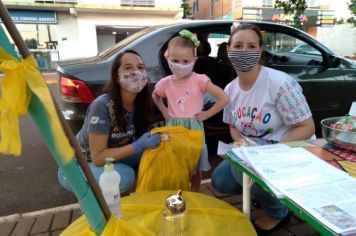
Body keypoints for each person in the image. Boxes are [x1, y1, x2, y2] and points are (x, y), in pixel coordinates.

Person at [211, 24, 315, 234]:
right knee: (220, 180)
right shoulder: (230, 89)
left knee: (242, 170)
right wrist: (239, 142)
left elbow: (307, 127)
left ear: (259, 52)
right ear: (228, 51)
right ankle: (266, 193)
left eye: (251, 46)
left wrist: (268, 154)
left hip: (290, 149)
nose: (244, 51)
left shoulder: (279, 83)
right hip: (254, 149)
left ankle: (279, 213)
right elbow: (232, 126)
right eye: (238, 46)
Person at [58, 50, 160, 194]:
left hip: (110, 159)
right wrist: (138, 145)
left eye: (140, 67)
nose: (136, 72)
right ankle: (101, 206)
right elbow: (98, 158)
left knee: (158, 156)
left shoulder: (141, 103)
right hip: (78, 165)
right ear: (117, 77)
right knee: (125, 176)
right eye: (128, 68)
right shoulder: (102, 106)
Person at [153, 29, 230, 191]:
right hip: (174, 129)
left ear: (194, 60)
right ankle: (179, 196)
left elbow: (224, 98)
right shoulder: (165, 83)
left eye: (186, 61)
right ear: (167, 58)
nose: (180, 65)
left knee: (195, 168)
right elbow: (155, 96)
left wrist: (207, 114)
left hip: (194, 128)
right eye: (175, 60)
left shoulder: (200, 80)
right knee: (177, 166)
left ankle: (195, 196)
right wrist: (164, 111)